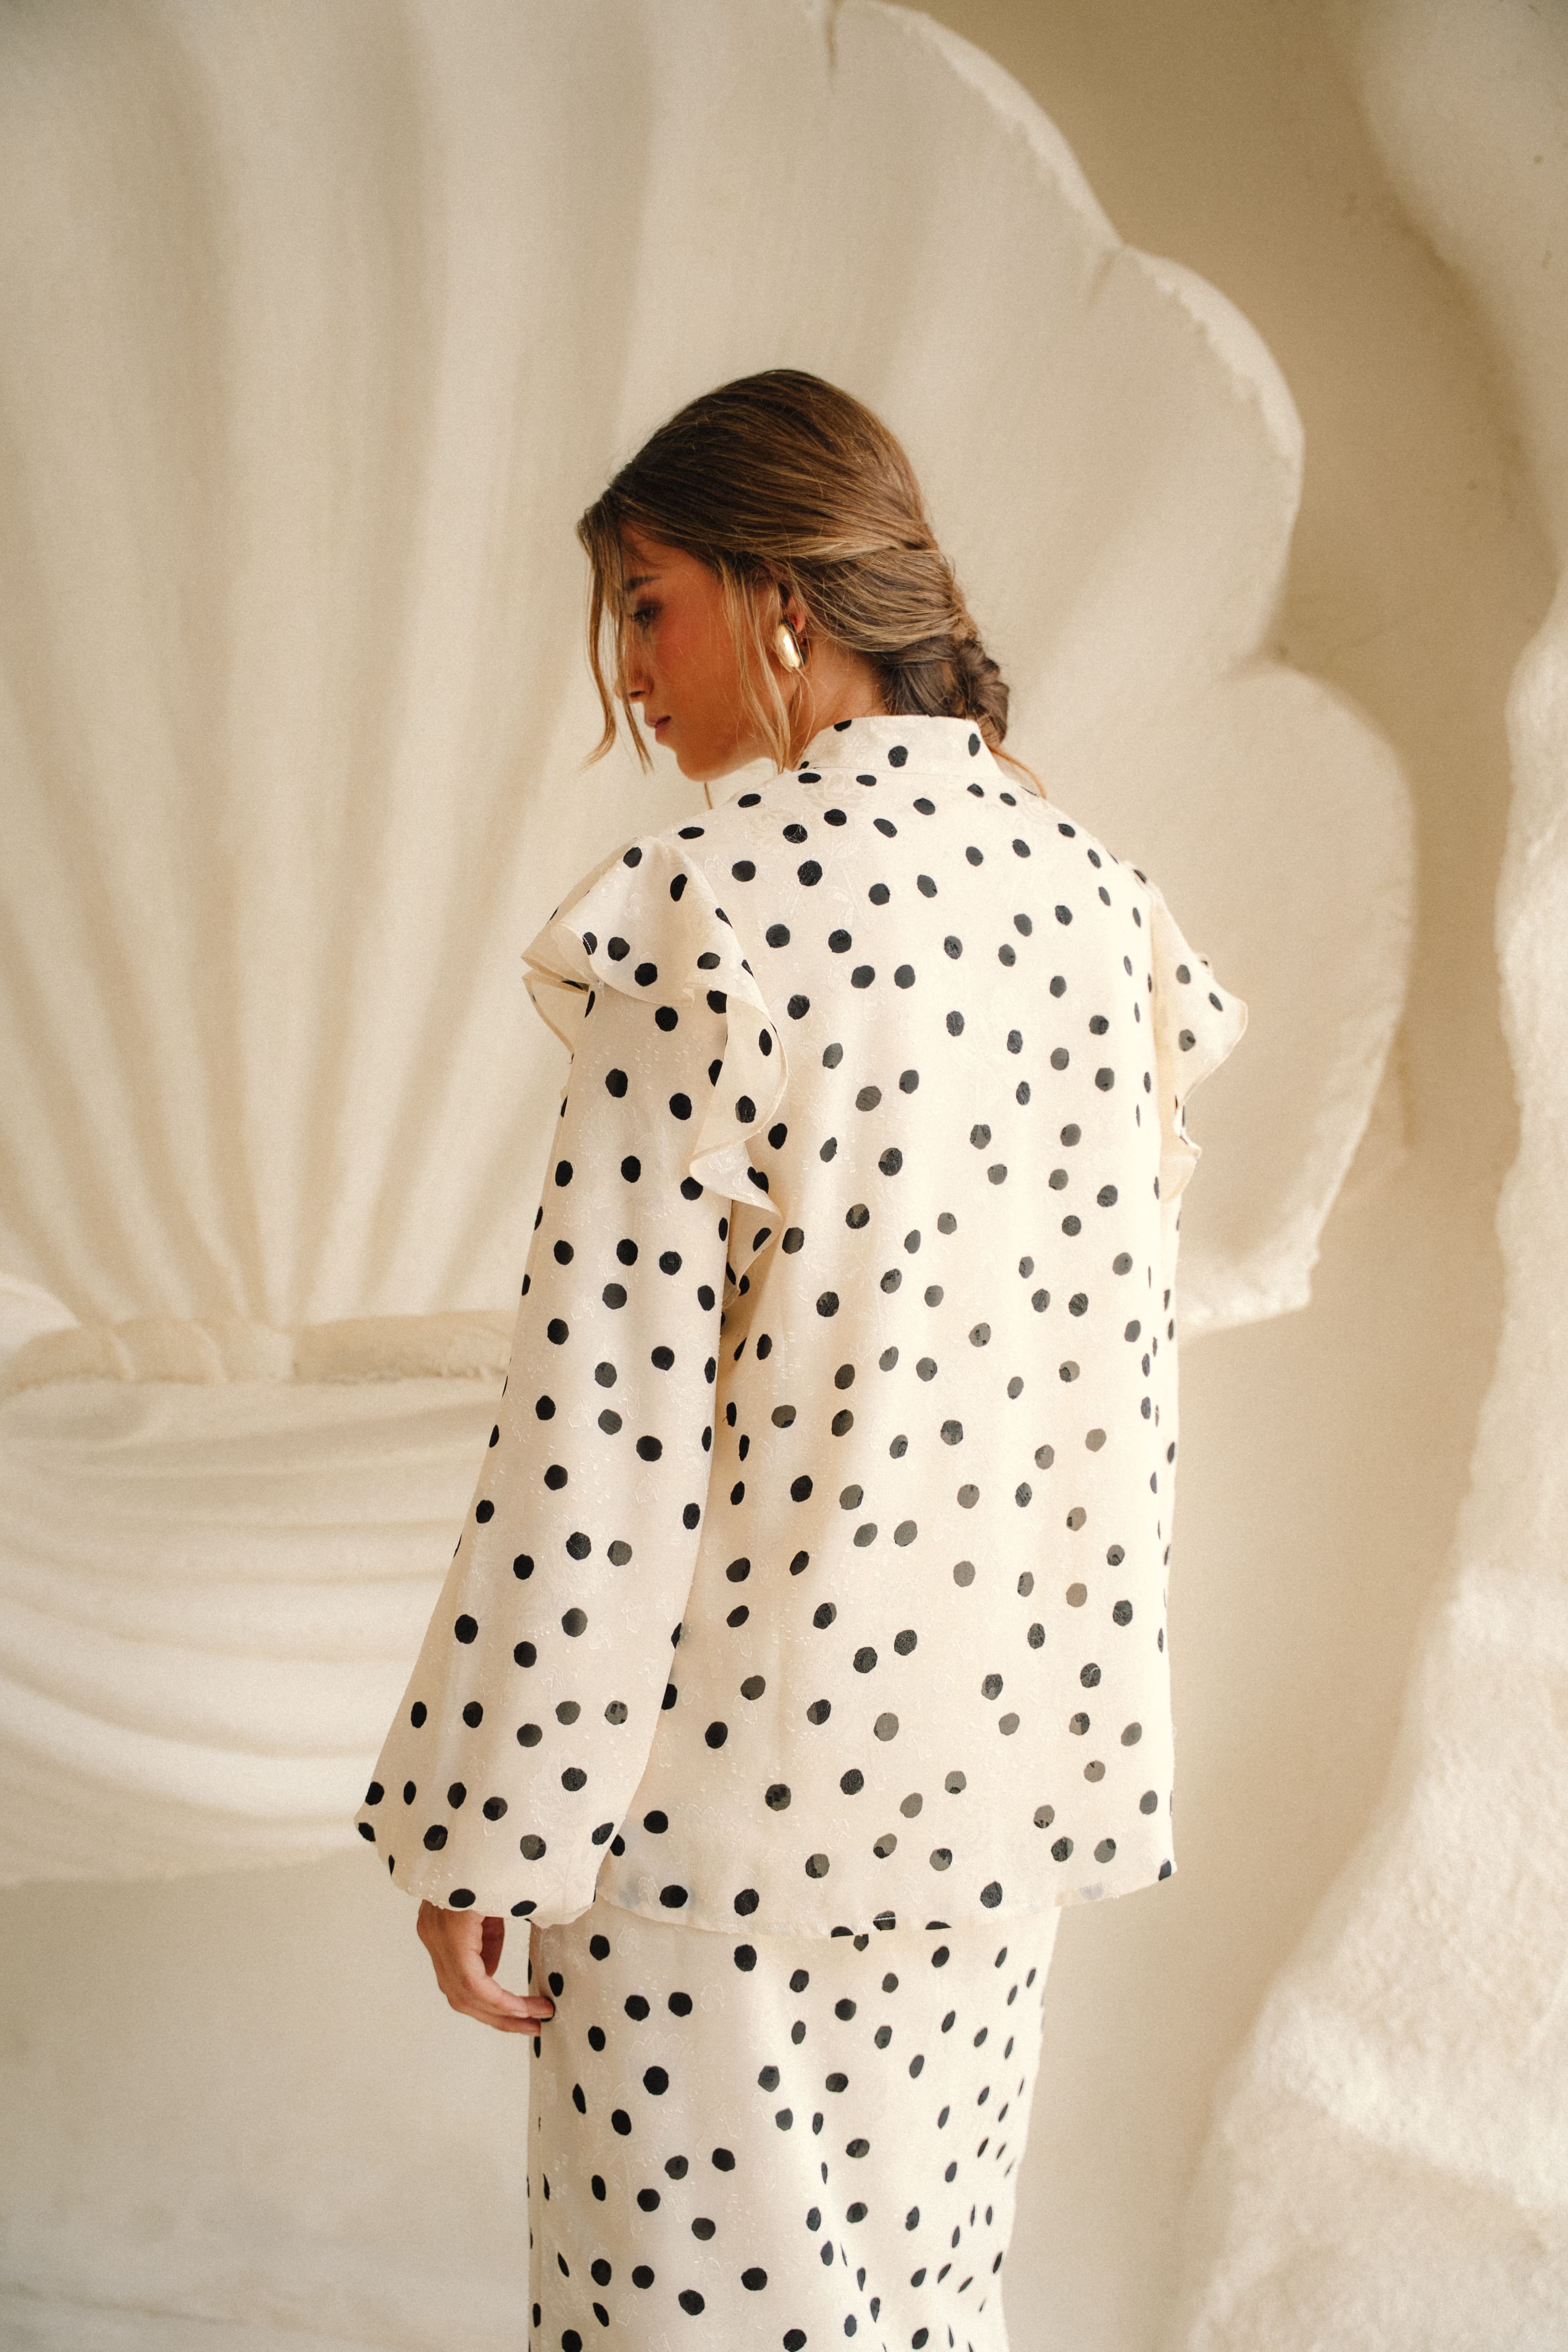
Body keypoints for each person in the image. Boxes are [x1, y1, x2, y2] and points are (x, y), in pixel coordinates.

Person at [356, 369, 1246, 2351]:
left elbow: (601, 1430)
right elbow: (1101, 1390)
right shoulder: (1104, 919)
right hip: (999, 1820)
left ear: (782, 597)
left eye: (646, 604)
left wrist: (498, 1822)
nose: (628, 674)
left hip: (717, 1829)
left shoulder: (710, 906)